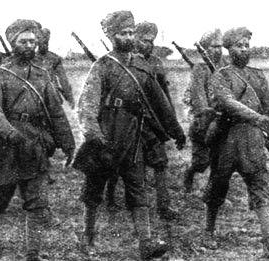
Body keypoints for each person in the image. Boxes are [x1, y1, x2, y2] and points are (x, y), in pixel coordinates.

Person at [74, 10, 185, 260]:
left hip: (133, 137)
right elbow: (87, 105)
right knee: (94, 190)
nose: (128, 37)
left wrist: (176, 130)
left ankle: (146, 242)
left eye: (131, 32)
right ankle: (87, 238)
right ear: (112, 37)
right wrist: (93, 135)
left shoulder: (142, 67)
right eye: (123, 33)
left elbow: (160, 103)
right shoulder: (102, 66)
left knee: (137, 187)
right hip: (106, 134)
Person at [0, 19, 75, 261]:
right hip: (6, 144)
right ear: (13, 43)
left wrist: (68, 142)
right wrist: (10, 133)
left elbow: (56, 111)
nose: (29, 45)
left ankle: (32, 254)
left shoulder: (42, 75)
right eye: (23, 41)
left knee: (36, 201)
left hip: (34, 143)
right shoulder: (0, 74)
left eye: (33, 41)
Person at [204, 27, 269, 258]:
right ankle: (209, 231)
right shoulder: (221, 75)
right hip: (226, 138)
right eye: (238, 46)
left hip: (252, 139)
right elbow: (227, 102)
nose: (244, 50)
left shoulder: (258, 75)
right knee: (218, 184)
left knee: (260, 184)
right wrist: (257, 117)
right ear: (228, 49)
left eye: (246, 45)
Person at [104, 21, 185, 220]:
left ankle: (164, 207)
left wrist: (174, 128)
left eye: (151, 41)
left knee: (159, 162)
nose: (147, 45)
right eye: (143, 40)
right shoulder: (119, 62)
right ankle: (110, 198)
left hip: (151, 122)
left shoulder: (156, 63)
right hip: (125, 120)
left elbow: (163, 97)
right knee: (117, 161)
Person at [182, 29, 228, 193]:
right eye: (214, 46)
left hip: (221, 120)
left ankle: (211, 191)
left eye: (220, 47)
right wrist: (210, 112)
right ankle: (189, 174)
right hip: (203, 122)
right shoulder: (199, 69)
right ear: (206, 49)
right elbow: (198, 97)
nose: (218, 50)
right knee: (201, 162)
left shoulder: (225, 68)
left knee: (218, 159)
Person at [34, 28, 75, 108]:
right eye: (41, 41)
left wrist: (69, 98)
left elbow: (63, 80)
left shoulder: (54, 59)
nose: (44, 44)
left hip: (53, 99)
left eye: (46, 42)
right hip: (36, 98)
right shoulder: (31, 58)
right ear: (37, 42)